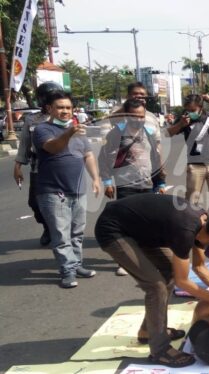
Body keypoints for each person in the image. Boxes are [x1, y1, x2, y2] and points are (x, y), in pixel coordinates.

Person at [94, 194, 209, 367]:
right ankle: (160, 350)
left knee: (169, 272)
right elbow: (183, 282)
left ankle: (148, 330)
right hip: (114, 230)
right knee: (156, 286)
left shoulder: (204, 227)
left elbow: (200, 267)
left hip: (138, 230)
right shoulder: (186, 230)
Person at [33, 92, 101, 288]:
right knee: (61, 235)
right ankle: (67, 271)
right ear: (49, 109)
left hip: (78, 188)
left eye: (68, 108)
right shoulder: (42, 129)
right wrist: (69, 133)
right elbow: (53, 148)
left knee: (77, 232)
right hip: (53, 190)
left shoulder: (77, 131)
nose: (65, 111)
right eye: (60, 107)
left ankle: (77, 264)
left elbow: (88, 155)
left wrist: (95, 179)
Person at [14, 82, 64, 247]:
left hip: (61, 167)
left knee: (64, 203)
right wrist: (17, 167)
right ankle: (47, 226)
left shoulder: (65, 116)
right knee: (35, 203)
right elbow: (24, 144)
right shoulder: (32, 119)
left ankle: (63, 233)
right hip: (38, 167)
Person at [167, 94, 209, 217]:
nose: (190, 113)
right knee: (191, 201)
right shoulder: (183, 120)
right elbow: (168, 133)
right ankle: (193, 227)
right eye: (187, 110)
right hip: (195, 166)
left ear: (200, 107)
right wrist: (181, 124)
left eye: (193, 110)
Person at [99, 99, 166, 200]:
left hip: (147, 186)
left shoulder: (149, 134)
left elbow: (156, 159)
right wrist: (107, 182)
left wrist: (160, 184)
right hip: (125, 187)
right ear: (127, 116)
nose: (139, 120)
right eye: (134, 116)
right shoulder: (116, 133)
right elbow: (103, 158)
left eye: (141, 116)